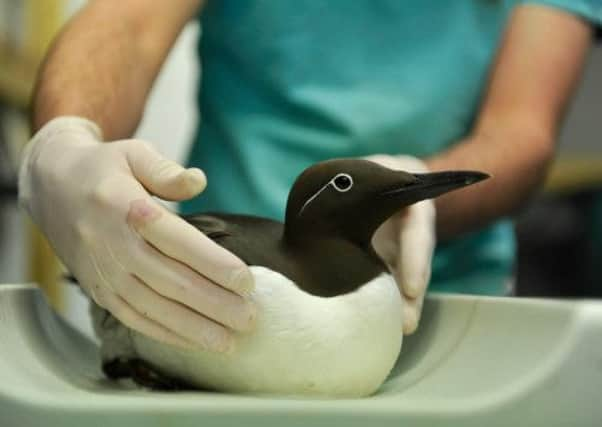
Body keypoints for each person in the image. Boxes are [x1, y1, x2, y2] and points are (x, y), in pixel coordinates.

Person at [19, 1, 600, 353]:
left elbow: (522, 128)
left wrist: (419, 194)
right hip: (220, 299)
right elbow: (128, 26)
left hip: (446, 302)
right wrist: (68, 142)